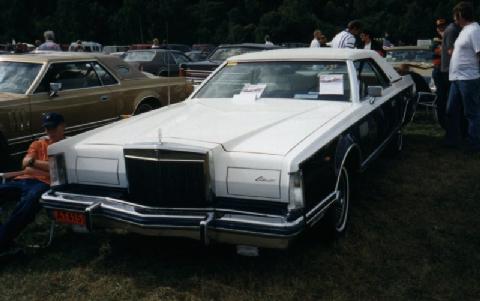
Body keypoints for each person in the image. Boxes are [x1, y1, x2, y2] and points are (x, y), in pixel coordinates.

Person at [0, 113, 65, 255]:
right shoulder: (38, 143)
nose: (49, 132)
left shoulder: (66, 146)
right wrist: (44, 167)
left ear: (62, 127)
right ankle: (5, 240)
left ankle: (3, 241)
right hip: (23, 179)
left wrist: (33, 164)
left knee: (30, 202)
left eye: (52, 128)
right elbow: (24, 164)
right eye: (46, 128)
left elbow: (57, 169)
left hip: (44, 184)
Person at [445, 1, 480, 153]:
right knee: (451, 110)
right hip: (457, 79)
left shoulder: (475, 30)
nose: (454, 20)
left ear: (461, 15)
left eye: (455, 16)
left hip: (468, 78)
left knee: (471, 113)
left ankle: (474, 145)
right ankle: (453, 140)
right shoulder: (465, 30)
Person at [437, 18, 461, 131]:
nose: (441, 28)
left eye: (442, 26)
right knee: (446, 101)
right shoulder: (452, 31)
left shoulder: (449, 31)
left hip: (447, 70)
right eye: (439, 26)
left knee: (449, 101)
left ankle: (450, 128)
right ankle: (447, 126)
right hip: (445, 71)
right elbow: (451, 52)